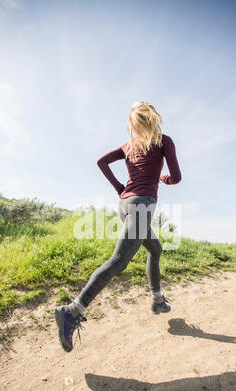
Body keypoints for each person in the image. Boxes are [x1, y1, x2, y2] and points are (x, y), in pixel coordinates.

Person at [54, 101, 182, 352]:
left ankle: (157, 300)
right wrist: (162, 178)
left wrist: (120, 188)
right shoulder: (164, 141)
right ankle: (72, 311)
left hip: (125, 205)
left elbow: (101, 162)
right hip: (142, 205)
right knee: (118, 261)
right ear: (154, 119)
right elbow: (176, 178)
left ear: (134, 124)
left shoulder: (128, 146)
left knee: (154, 249)